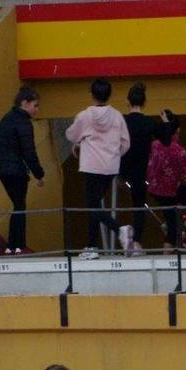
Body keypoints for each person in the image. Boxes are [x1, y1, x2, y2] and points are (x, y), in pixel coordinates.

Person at [65, 77, 132, 259]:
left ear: (91, 94)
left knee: (91, 206)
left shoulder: (85, 116)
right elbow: (125, 143)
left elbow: (71, 134)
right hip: (110, 167)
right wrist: (114, 153)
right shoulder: (117, 116)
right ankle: (91, 246)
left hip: (91, 166)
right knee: (94, 205)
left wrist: (81, 142)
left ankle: (119, 229)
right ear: (109, 95)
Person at [0, 85, 45, 254]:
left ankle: (11, 246)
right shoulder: (23, 122)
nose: (36, 110)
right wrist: (39, 174)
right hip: (15, 170)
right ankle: (19, 245)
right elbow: (29, 151)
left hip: (1, 168)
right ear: (25, 103)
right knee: (20, 206)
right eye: (35, 105)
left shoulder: (7, 118)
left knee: (17, 205)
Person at [146, 110, 186, 250]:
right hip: (169, 191)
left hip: (153, 187)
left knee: (172, 220)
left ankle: (175, 219)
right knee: (172, 227)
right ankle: (167, 255)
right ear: (176, 131)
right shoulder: (178, 150)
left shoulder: (154, 145)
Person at [119, 82, 158, 255]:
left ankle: (118, 232)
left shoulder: (122, 121)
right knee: (139, 206)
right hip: (140, 170)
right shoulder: (149, 123)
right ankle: (136, 242)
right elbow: (165, 137)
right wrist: (166, 121)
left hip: (120, 167)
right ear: (144, 102)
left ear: (128, 101)